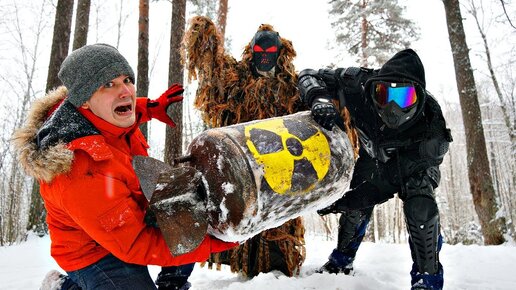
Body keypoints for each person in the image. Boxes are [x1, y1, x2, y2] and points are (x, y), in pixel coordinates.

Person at [12, 43, 236, 290]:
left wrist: (150, 108)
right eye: (108, 84)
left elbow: (125, 108)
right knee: (189, 240)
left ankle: (171, 284)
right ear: (83, 101)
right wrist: (211, 245)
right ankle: (65, 287)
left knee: (186, 207)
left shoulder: (103, 115)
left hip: (129, 212)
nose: (125, 91)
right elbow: (135, 244)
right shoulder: (80, 170)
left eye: (127, 80)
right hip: (92, 252)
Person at [297, 49, 452, 290]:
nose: (392, 107)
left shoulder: (431, 125)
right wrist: (318, 98)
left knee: (419, 203)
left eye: (402, 98)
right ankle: (342, 260)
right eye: (384, 95)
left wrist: (347, 200)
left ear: (419, 97)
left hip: (412, 163)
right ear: (374, 88)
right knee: (357, 195)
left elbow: (385, 183)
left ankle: (427, 278)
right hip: (371, 153)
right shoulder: (358, 84)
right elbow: (308, 75)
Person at [181, 16, 307, 278]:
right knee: (243, 214)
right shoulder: (237, 79)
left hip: (279, 167)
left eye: (270, 51)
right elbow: (214, 70)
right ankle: (248, 271)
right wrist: (204, 35)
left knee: (277, 225)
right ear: (251, 52)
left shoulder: (292, 86)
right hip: (243, 166)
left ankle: (277, 274)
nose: (264, 57)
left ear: (280, 53)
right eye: (259, 51)